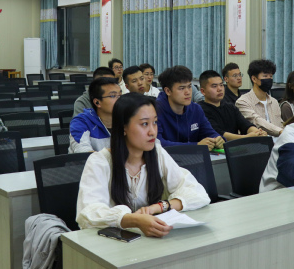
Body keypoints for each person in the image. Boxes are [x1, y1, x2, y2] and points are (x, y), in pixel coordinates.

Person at [76, 93, 210, 236]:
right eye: (144, 124)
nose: (152, 132)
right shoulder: (100, 162)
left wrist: (158, 207)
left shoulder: (157, 154)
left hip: (152, 238)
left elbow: (198, 193)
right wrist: (135, 220)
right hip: (112, 242)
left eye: (155, 122)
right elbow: (88, 214)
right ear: (123, 127)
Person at [156, 65, 224, 150]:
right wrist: (196, 146)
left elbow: (209, 132)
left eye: (189, 86)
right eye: (182, 88)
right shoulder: (155, 111)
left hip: (193, 157)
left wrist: (218, 139)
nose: (188, 92)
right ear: (168, 91)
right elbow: (158, 143)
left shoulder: (196, 109)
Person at [197, 70, 267, 141]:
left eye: (221, 85)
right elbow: (218, 133)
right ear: (203, 91)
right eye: (214, 86)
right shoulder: (199, 110)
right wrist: (246, 137)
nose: (219, 89)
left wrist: (257, 132)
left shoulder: (230, 107)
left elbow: (245, 124)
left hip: (237, 145)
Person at [69, 77, 120, 153]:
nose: (119, 99)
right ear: (97, 102)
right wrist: (119, 153)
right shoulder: (81, 122)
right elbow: (83, 153)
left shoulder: (126, 119)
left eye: (120, 95)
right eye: (113, 96)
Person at [236, 59, 283, 137]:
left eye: (271, 76)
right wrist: (280, 131)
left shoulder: (274, 102)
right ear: (254, 79)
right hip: (257, 143)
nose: (269, 79)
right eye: (265, 76)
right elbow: (257, 121)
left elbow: (280, 124)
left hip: (278, 142)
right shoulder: (243, 102)